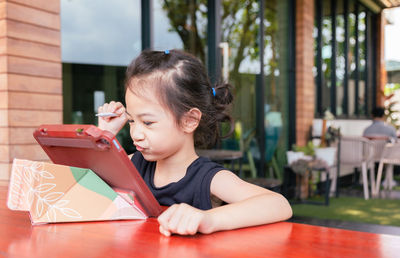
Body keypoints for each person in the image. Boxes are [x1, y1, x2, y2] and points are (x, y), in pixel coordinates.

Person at [98, 49, 292, 237]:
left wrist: (208, 218)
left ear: (189, 120)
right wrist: (105, 135)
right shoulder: (133, 165)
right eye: (131, 121)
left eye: (147, 122)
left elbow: (279, 204)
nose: (136, 134)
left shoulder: (207, 178)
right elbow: (85, 185)